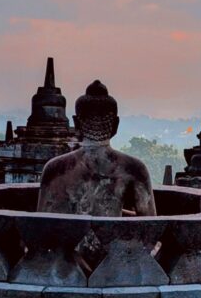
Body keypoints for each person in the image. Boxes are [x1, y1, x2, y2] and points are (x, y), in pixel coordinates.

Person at [37, 80, 156, 216]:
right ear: (115, 125)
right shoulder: (135, 169)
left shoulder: (54, 169)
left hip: (69, 237)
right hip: (115, 238)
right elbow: (149, 224)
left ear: (76, 124)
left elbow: (42, 224)